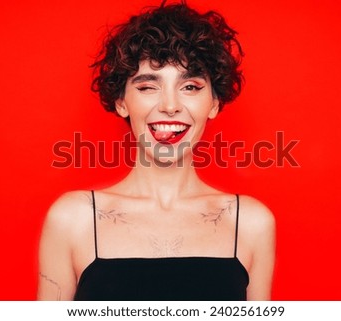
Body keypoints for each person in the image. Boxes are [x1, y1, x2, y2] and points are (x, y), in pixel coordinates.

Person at [37, 0, 275, 301]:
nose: (170, 106)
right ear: (121, 102)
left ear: (214, 103)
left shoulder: (251, 222)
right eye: (148, 86)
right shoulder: (73, 219)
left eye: (190, 86)